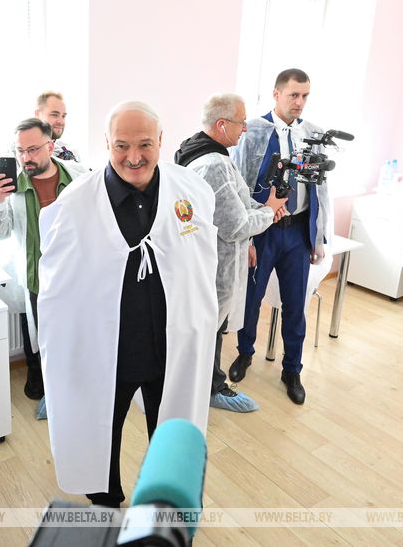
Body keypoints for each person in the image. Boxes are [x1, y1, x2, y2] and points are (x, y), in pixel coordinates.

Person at [37, 101, 219, 507]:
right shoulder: (74, 206)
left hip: (171, 347)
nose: (133, 157)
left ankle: (165, 508)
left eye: (144, 145)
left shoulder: (191, 192)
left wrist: (205, 325)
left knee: (172, 435)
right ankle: (105, 506)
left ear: (161, 141)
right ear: (106, 143)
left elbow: (202, 266)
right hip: (108, 353)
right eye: (121, 146)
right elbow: (57, 292)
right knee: (99, 431)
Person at [175, 93, 286, 413]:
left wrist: (263, 210)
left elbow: (236, 200)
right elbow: (236, 225)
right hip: (214, 264)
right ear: (222, 124)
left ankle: (208, 385)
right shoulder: (214, 164)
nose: (245, 129)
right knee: (210, 329)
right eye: (241, 122)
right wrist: (269, 211)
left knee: (209, 330)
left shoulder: (195, 151)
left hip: (203, 260)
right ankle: (210, 390)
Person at [228, 68, 331, 405]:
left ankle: (292, 369)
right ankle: (244, 353)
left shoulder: (313, 135)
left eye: (305, 96)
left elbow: (321, 189)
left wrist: (318, 236)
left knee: (295, 305)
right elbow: (241, 185)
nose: (300, 102)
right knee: (251, 299)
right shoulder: (253, 132)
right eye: (293, 95)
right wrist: (246, 239)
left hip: (297, 232)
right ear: (276, 94)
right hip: (263, 231)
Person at [0, 118, 88, 417]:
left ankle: (79, 391)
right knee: (44, 339)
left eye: (33, 150)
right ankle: (50, 395)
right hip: (36, 278)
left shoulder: (80, 177)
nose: (25, 157)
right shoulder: (13, 187)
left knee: (78, 337)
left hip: (76, 276)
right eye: (20, 151)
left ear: (50, 147)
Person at [34, 91, 82, 163]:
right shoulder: (21, 151)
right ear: (38, 114)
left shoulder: (72, 152)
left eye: (63, 116)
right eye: (54, 115)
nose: (61, 121)